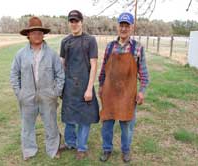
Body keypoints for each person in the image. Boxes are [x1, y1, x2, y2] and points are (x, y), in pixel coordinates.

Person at [10, 16, 64, 160]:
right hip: (27, 97)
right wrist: (19, 93)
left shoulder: (51, 54)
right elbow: (14, 74)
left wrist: (56, 92)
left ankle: (53, 149)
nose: (37, 35)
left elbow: (60, 75)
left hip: (48, 96)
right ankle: (29, 151)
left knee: (51, 125)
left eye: (39, 32)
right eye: (33, 32)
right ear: (28, 35)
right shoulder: (20, 54)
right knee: (27, 127)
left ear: (43, 34)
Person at [98, 12, 149, 163]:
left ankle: (126, 150)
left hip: (128, 94)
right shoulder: (110, 47)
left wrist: (141, 91)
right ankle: (107, 149)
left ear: (132, 27)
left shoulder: (137, 48)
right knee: (107, 123)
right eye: (121, 25)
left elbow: (144, 74)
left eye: (127, 25)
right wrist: (101, 86)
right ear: (118, 27)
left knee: (126, 125)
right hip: (109, 92)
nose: (124, 28)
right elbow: (103, 70)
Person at [59, 10, 99, 160]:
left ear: (82, 22)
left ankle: (81, 147)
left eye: (76, 21)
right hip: (69, 85)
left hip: (84, 85)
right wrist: (61, 86)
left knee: (84, 117)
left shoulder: (90, 40)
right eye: (71, 21)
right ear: (69, 23)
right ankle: (70, 143)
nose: (74, 24)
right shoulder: (65, 42)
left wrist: (89, 88)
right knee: (69, 117)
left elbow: (94, 65)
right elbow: (62, 64)